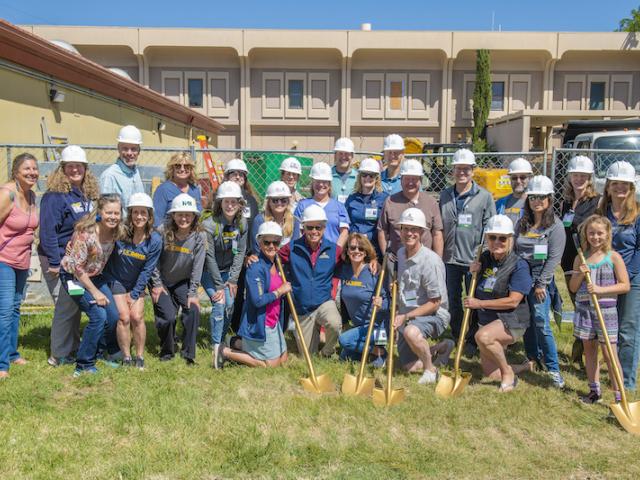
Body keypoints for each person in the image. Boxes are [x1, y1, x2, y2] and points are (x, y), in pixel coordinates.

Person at [38, 145, 99, 367]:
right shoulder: (55, 196)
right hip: (58, 261)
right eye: (70, 166)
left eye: (79, 166)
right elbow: (47, 232)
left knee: (73, 304)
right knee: (65, 306)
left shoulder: (85, 194)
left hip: (75, 261)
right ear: (62, 169)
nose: (75, 170)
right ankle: (58, 354)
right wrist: (54, 263)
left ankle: (71, 347)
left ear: (85, 168)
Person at [464, 215, 533, 392]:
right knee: (491, 374)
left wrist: (479, 304)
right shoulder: (484, 258)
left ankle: (508, 374)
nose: (497, 242)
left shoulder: (519, 265)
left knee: (482, 336)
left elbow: (513, 301)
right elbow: (474, 290)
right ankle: (524, 367)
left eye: (502, 238)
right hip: (488, 321)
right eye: (492, 237)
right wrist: (472, 273)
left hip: (513, 320)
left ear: (510, 239)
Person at [60, 194, 124, 377]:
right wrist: (95, 293)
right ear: (100, 213)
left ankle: (99, 353)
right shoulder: (86, 235)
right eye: (109, 212)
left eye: (117, 213)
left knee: (112, 316)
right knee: (98, 315)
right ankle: (84, 365)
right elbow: (77, 269)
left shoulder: (116, 232)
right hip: (72, 278)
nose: (113, 217)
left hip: (95, 276)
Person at [439, 149, 496, 356]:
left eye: (466, 169)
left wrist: (482, 257)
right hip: (450, 258)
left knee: (471, 301)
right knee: (453, 301)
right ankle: (457, 335)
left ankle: (471, 338)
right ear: (453, 171)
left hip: (473, 259)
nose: (462, 172)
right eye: (458, 169)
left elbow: (489, 229)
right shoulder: (445, 195)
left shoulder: (484, 197)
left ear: (472, 170)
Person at [568, 214, 629, 403]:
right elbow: (573, 287)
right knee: (590, 350)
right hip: (585, 310)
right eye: (591, 233)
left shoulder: (613, 257)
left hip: (606, 311)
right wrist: (580, 273)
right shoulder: (581, 258)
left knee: (610, 353)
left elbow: (624, 285)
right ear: (586, 234)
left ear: (607, 234)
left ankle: (620, 395)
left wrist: (601, 290)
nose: (595, 237)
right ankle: (594, 390)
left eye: (600, 233)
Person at [515, 175, 566, 388]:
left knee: (541, 322)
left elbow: (554, 258)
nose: (537, 201)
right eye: (533, 197)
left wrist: (541, 283)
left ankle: (553, 369)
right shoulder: (523, 222)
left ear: (549, 199)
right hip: (521, 273)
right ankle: (532, 358)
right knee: (527, 320)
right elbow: (515, 249)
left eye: (541, 197)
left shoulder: (555, 226)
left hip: (540, 276)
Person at [218, 222, 290, 368]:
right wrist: (279, 292)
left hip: (273, 322)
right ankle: (224, 351)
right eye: (267, 242)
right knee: (271, 364)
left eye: (275, 242)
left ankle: (237, 342)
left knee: (284, 359)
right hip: (260, 323)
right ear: (259, 242)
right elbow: (257, 301)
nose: (271, 246)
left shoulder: (276, 263)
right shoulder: (255, 268)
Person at [393, 208, 453, 385]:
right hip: (408, 314)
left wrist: (406, 316)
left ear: (421, 232)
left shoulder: (431, 261)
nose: (409, 233)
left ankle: (430, 370)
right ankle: (442, 348)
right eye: (406, 229)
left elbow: (435, 303)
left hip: (434, 315)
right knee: (409, 366)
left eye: (414, 229)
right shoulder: (401, 254)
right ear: (400, 230)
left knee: (412, 332)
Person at [103, 193, 162, 370]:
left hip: (136, 282)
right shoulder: (120, 233)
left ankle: (139, 356)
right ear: (130, 214)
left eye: (143, 213)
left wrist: (135, 294)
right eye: (135, 212)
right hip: (116, 280)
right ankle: (126, 356)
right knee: (124, 317)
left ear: (149, 215)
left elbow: (147, 269)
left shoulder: (155, 240)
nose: (139, 217)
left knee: (137, 316)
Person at [597, 161, 640, 391]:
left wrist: (627, 276)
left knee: (627, 330)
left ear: (631, 188)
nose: (620, 188)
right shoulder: (602, 213)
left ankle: (626, 383)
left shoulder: (638, 214)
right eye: (616, 184)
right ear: (608, 186)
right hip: (603, 278)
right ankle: (606, 374)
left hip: (632, 279)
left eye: (625, 184)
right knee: (605, 329)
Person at [278, 204, 343, 356]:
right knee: (307, 355)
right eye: (310, 227)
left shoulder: (334, 250)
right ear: (303, 228)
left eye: (318, 227)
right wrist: (253, 257)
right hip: (302, 309)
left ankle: (327, 352)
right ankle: (309, 338)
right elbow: (272, 258)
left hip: (323, 303)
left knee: (334, 323)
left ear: (324, 228)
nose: (314, 231)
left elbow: (355, 260)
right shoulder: (291, 248)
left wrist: (373, 261)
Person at [151, 193, 206, 365]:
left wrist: (193, 293)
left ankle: (188, 353)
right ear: (173, 215)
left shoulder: (199, 236)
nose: (184, 218)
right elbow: (153, 261)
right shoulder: (162, 231)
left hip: (183, 282)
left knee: (193, 310)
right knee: (167, 317)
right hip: (163, 281)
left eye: (188, 214)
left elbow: (198, 267)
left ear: (194, 216)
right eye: (180, 214)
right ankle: (167, 350)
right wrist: (157, 284)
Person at [0, 153, 39, 379]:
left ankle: (12, 353)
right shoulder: (8, 194)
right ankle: (2, 363)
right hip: (3, 260)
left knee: (15, 307)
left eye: (35, 169)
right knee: (4, 311)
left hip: (22, 261)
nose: (32, 172)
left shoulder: (32, 195)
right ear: (16, 171)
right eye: (27, 169)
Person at [201, 182, 248, 368]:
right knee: (220, 303)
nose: (230, 205)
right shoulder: (209, 225)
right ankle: (216, 347)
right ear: (219, 202)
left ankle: (221, 338)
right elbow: (209, 256)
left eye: (234, 202)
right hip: (209, 272)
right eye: (226, 201)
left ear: (239, 203)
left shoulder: (242, 223)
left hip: (228, 272)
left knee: (230, 305)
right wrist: (220, 285)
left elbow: (241, 252)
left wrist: (233, 280)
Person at [337, 233, 388, 366]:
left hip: (378, 327)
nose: (356, 251)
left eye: (361, 249)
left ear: (366, 252)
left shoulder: (374, 271)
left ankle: (380, 351)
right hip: (359, 327)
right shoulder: (345, 271)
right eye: (352, 248)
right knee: (344, 358)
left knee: (344, 340)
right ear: (347, 251)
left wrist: (382, 303)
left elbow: (389, 301)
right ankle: (372, 350)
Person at [377, 159, 443, 257]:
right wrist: (386, 256)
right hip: (397, 261)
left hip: (424, 261)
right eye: (407, 178)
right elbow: (382, 230)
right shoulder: (390, 201)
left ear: (420, 180)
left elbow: (437, 234)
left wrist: (437, 261)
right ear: (401, 180)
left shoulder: (431, 203)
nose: (410, 182)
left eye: (414, 179)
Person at [224, 158, 259, 334]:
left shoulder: (251, 201)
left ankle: (238, 327)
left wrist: (250, 253)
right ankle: (225, 327)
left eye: (241, 174)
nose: (238, 177)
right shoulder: (220, 198)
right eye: (233, 173)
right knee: (228, 293)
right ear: (226, 176)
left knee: (242, 292)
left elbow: (254, 228)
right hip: (226, 254)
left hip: (246, 254)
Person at [560, 156, 601, 285]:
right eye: (575, 175)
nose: (579, 179)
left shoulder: (597, 201)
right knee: (574, 295)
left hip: (587, 255)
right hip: (568, 256)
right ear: (570, 177)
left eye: (583, 175)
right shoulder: (565, 203)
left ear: (589, 178)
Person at [294, 162, 350, 248]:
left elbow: (344, 232)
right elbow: (298, 232)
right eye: (317, 181)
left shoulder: (339, 206)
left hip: (332, 253)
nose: (321, 185)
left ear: (329, 184)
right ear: (312, 182)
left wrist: (335, 252)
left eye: (324, 182)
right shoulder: (302, 205)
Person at [345, 158, 388, 257]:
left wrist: (367, 236)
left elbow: (384, 227)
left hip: (374, 250)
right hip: (354, 249)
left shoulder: (384, 199)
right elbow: (346, 224)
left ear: (377, 178)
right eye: (364, 174)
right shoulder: (352, 199)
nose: (367, 178)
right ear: (360, 177)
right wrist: (356, 236)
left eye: (371, 175)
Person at [99, 125, 145, 211]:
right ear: (118, 149)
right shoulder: (109, 176)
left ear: (139, 151)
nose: (129, 153)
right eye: (125, 148)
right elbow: (104, 211)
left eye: (133, 149)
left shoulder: (135, 172)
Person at [153, 152, 202, 227]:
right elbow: (156, 221)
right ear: (172, 168)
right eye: (178, 166)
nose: (182, 169)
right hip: (169, 235)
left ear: (191, 168)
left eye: (186, 166)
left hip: (191, 236)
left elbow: (199, 217)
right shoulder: (163, 189)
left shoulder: (195, 190)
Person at [251, 181, 301, 254]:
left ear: (288, 202)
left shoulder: (294, 221)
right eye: (275, 200)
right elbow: (257, 249)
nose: (279, 203)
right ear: (269, 202)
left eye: (283, 200)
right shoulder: (259, 220)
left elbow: (294, 247)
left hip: (287, 261)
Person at [495, 158, 533, 225]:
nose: (518, 181)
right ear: (510, 179)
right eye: (514, 178)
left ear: (529, 178)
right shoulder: (500, 203)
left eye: (522, 177)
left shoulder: (535, 204)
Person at [331, 137, 357, 204]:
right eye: (340, 153)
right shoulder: (327, 175)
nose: (343, 157)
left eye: (347, 153)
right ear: (335, 155)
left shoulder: (359, 177)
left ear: (352, 156)